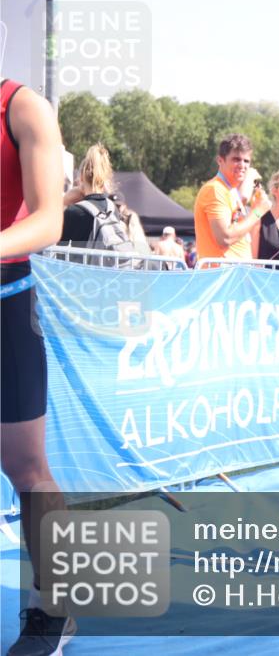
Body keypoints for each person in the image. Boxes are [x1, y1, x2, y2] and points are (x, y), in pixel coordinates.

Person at [1, 78, 76, 654]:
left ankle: (55, 607)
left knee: (29, 472)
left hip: (4, 304)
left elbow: (49, 221)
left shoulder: (23, 106)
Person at [193, 133, 271, 262]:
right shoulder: (215, 189)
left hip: (235, 275)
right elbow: (225, 238)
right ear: (220, 160)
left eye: (246, 161)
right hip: (221, 276)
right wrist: (258, 212)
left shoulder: (230, 190)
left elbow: (237, 228)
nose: (242, 165)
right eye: (236, 159)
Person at [60, 143, 128, 249]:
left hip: (80, 266)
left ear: (81, 177)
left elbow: (56, 252)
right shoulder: (112, 208)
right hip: (107, 265)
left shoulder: (73, 212)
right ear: (105, 178)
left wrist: (63, 202)